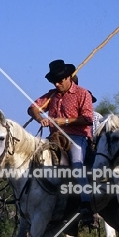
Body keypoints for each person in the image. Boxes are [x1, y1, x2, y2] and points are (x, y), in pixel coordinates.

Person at [28, 59, 97, 228]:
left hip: (77, 137)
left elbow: (88, 118)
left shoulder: (83, 93)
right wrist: (40, 118)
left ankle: (86, 206)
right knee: (34, 161)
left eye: (60, 80)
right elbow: (32, 108)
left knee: (76, 163)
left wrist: (64, 121)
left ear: (68, 77)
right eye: (54, 81)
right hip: (55, 139)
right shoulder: (51, 95)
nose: (57, 84)